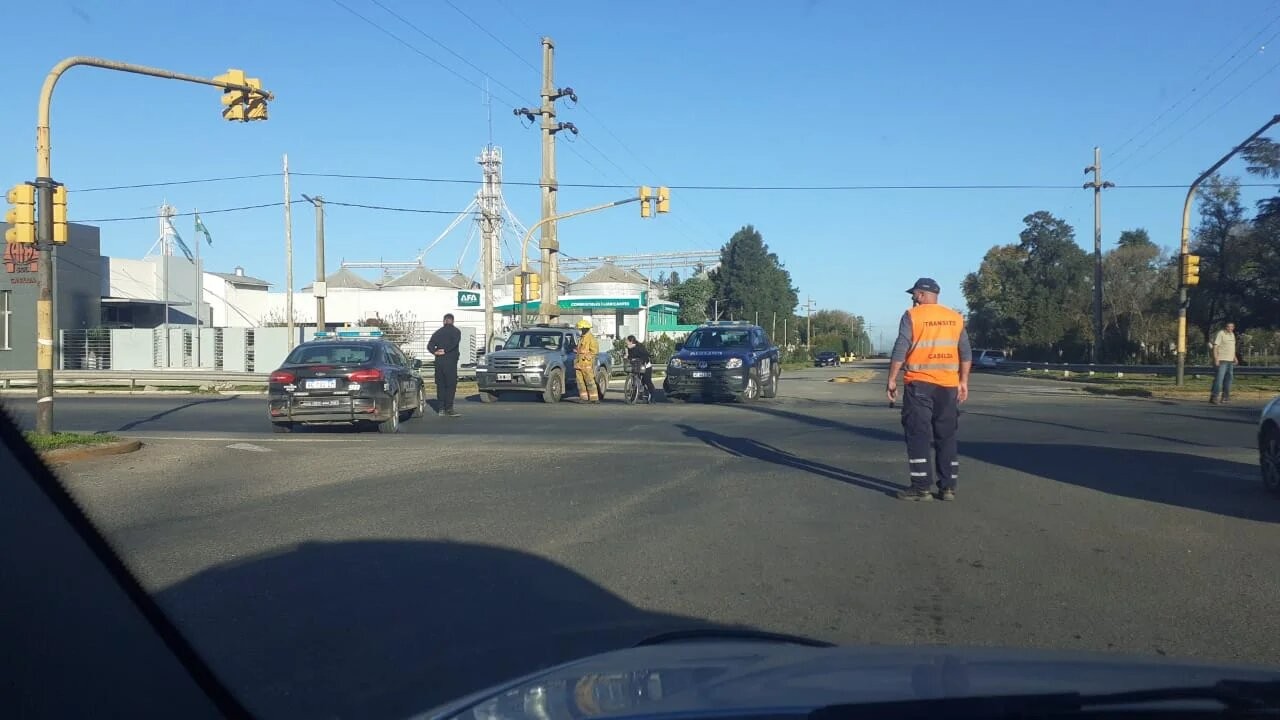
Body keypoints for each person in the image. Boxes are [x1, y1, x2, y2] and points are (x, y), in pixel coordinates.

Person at [886, 277, 973, 502]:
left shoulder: (912, 316)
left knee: (918, 434)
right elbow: (965, 353)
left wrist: (892, 379)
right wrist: (963, 381)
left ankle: (921, 487)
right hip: (948, 386)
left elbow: (900, 347)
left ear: (922, 294)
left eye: (914, 294)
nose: (913, 298)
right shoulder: (955, 318)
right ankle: (948, 488)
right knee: (946, 435)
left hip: (920, 385)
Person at [426, 313, 462, 417]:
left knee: (440, 385)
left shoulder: (438, 332)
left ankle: (441, 408)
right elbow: (454, 343)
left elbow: (429, 345)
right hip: (450, 363)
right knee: (450, 385)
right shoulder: (456, 332)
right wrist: (445, 351)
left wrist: (435, 352)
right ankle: (449, 408)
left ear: (444, 321)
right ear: (453, 321)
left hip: (439, 363)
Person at [1209, 321, 1237, 404]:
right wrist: (1216, 359)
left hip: (1230, 361)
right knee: (1219, 379)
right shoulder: (1221, 334)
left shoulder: (1232, 335)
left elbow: (1232, 347)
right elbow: (1215, 346)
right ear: (1226, 327)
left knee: (1228, 379)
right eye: (1229, 326)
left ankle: (1225, 397)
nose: (1230, 328)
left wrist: (1235, 357)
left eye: (1232, 327)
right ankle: (1214, 397)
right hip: (1222, 360)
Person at [574, 318, 600, 403]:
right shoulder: (582, 338)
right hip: (579, 363)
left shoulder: (591, 338)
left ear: (586, 328)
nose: (581, 330)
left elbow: (594, 351)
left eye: (582, 328)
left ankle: (594, 399)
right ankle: (584, 398)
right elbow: (580, 349)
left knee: (589, 381)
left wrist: (586, 356)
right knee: (580, 382)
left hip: (586, 364)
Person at [624, 335, 656, 402]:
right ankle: (635, 396)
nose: (626, 343)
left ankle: (653, 396)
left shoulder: (639, 347)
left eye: (627, 341)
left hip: (645, 366)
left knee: (647, 381)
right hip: (635, 366)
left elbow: (646, 355)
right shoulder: (628, 348)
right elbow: (628, 357)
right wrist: (626, 354)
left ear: (631, 342)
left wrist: (643, 361)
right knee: (635, 380)